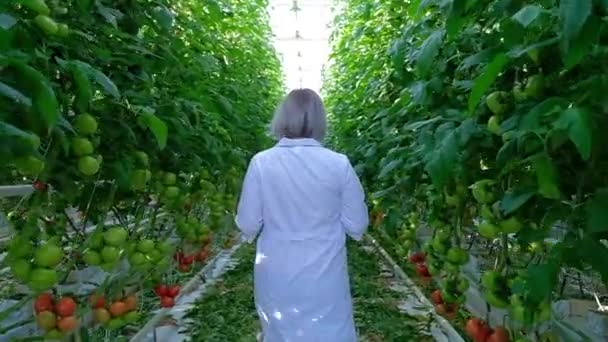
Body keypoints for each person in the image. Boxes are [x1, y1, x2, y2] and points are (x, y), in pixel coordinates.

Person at [235, 88, 369, 342]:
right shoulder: (338, 163)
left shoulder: (262, 162)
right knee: (330, 333)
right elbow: (357, 225)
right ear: (321, 121)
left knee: (280, 333)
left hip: (276, 269)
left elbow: (248, 223)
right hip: (325, 272)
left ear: (281, 117)